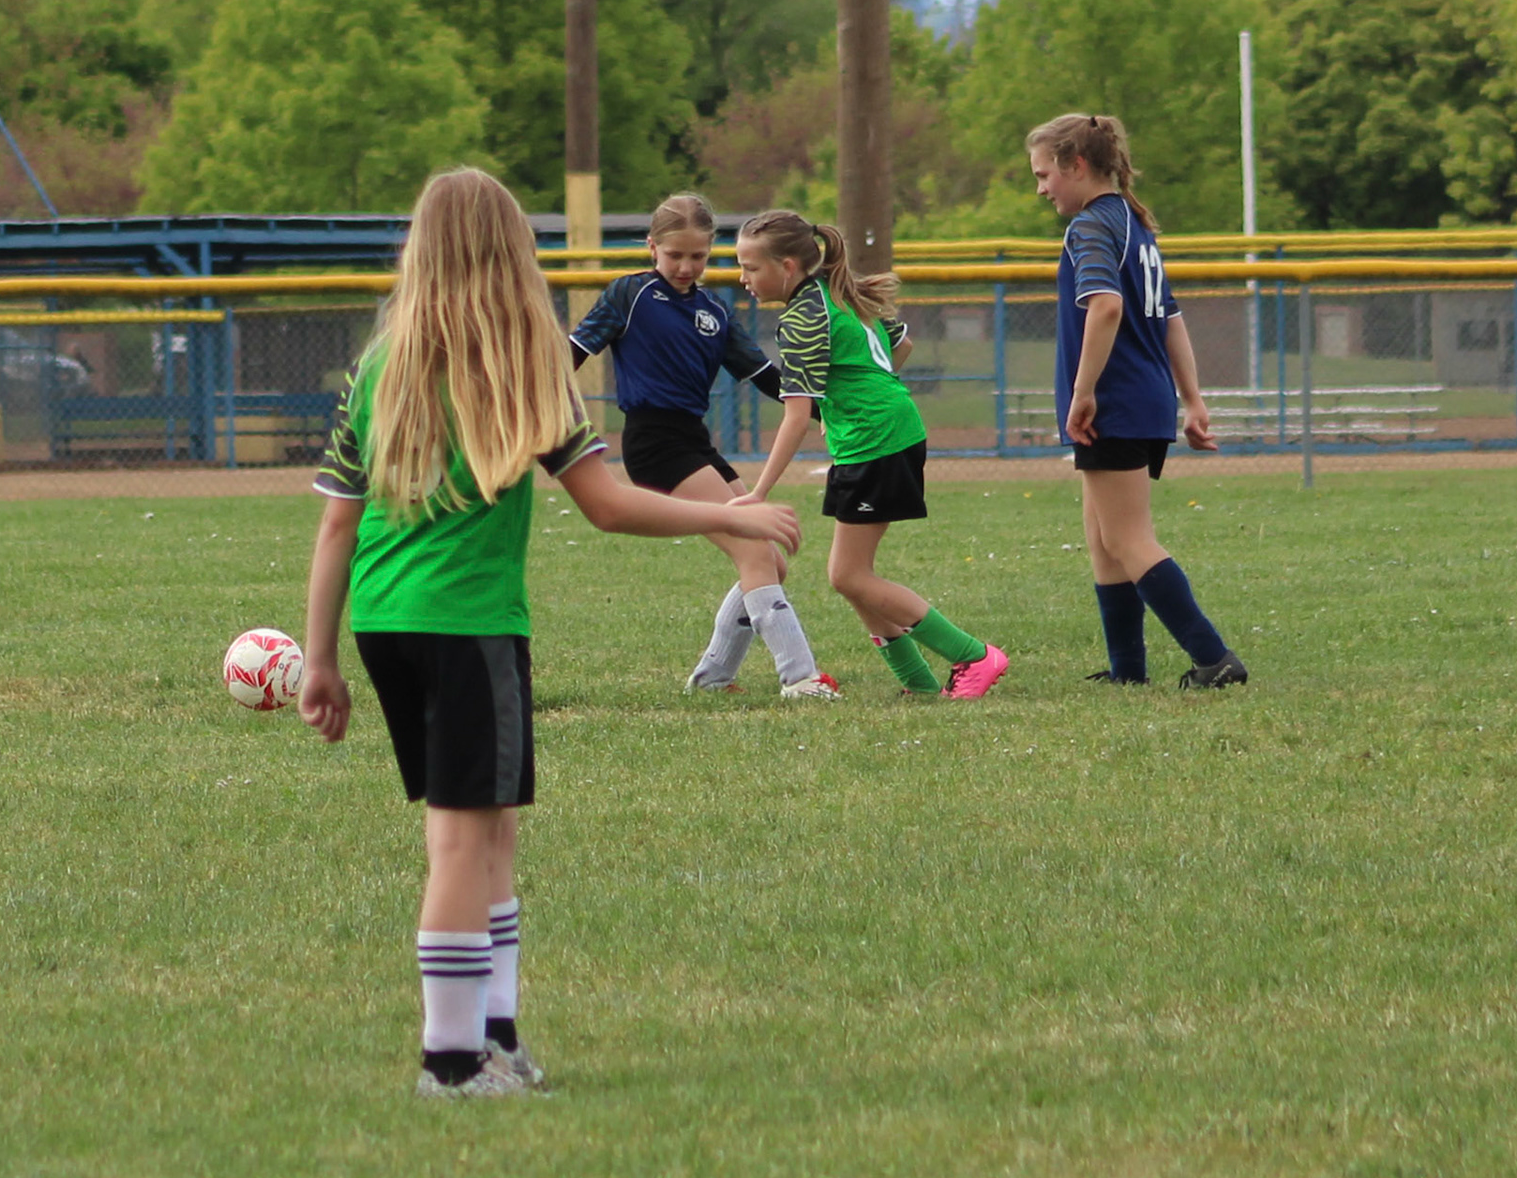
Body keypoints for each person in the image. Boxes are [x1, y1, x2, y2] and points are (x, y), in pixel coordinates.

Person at [299, 168, 802, 1099]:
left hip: (383, 622)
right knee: (463, 843)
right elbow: (607, 506)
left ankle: (498, 1038)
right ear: (513, 254)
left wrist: (320, 659)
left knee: (491, 833)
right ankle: (451, 1062)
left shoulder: (380, 364)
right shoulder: (522, 362)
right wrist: (729, 513)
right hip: (469, 624)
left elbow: (337, 524)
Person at [570, 193, 837, 699]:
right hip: (654, 443)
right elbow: (572, 353)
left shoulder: (714, 309)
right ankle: (800, 679)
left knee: (771, 561)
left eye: (698, 256)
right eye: (675, 255)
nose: (686, 267)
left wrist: (834, 411)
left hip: (693, 440)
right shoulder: (629, 294)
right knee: (753, 549)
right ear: (652, 247)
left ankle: (712, 679)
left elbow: (767, 376)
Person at [735, 209, 1007, 700]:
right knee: (850, 576)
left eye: (751, 267)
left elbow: (795, 417)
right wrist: (860, 399)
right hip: (883, 432)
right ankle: (918, 684)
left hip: (874, 440)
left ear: (788, 266)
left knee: (849, 575)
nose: (743, 278)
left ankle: (973, 656)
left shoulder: (802, 317)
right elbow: (902, 346)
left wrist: (759, 492)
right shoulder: (838, 292)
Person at [1027, 112, 1247, 690]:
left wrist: (1083, 392)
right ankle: (1128, 672)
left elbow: (1106, 307)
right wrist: (1192, 399)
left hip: (1116, 400)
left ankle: (1214, 657)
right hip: (1142, 397)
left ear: (1077, 165)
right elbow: (1170, 317)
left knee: (1127, 538)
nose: (1042, 188)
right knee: (1104, 540)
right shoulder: (1133, 222)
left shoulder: (1091, 226)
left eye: (1045, 174)